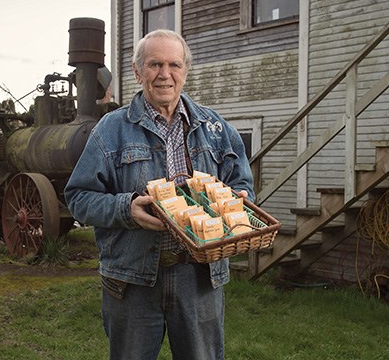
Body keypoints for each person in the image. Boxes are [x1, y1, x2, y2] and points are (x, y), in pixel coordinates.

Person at [64, 29, 254, 360]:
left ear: (185, 70)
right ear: (138, 72)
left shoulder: (217, 128)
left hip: (199, 277)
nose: (165, 75)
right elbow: (78, 198)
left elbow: (242, 185)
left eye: (174, 65)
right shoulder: (110, 130)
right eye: (154, 64)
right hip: (133, 279)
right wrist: (126, 209)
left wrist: (237, 199)